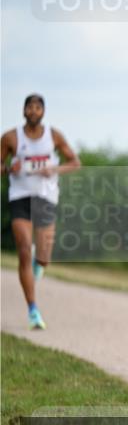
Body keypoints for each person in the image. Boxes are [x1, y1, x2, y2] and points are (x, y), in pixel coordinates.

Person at [1, 94, 80, 330]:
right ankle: (33, 310)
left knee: (44, 257)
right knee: (24, 251)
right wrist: (8, 168)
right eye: (30, 107)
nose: (33, 111)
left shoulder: (53, 136)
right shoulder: (10, 137)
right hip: (20, 197)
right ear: (23, 111)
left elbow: (75, 163)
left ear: (43, 112)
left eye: (38, 107)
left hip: (46, 198)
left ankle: (39, 262)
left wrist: (54, 169)